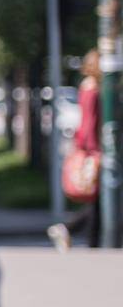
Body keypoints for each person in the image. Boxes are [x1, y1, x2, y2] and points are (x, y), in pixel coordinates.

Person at [50, 50, 103, 251]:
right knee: (98, 196)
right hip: (93, 149)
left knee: (98, 198)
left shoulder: (89, 86)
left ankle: (83, 236)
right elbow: (89, 122)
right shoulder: (92, 88)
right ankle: (75, 231)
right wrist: (93, 150)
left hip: (90, 146)